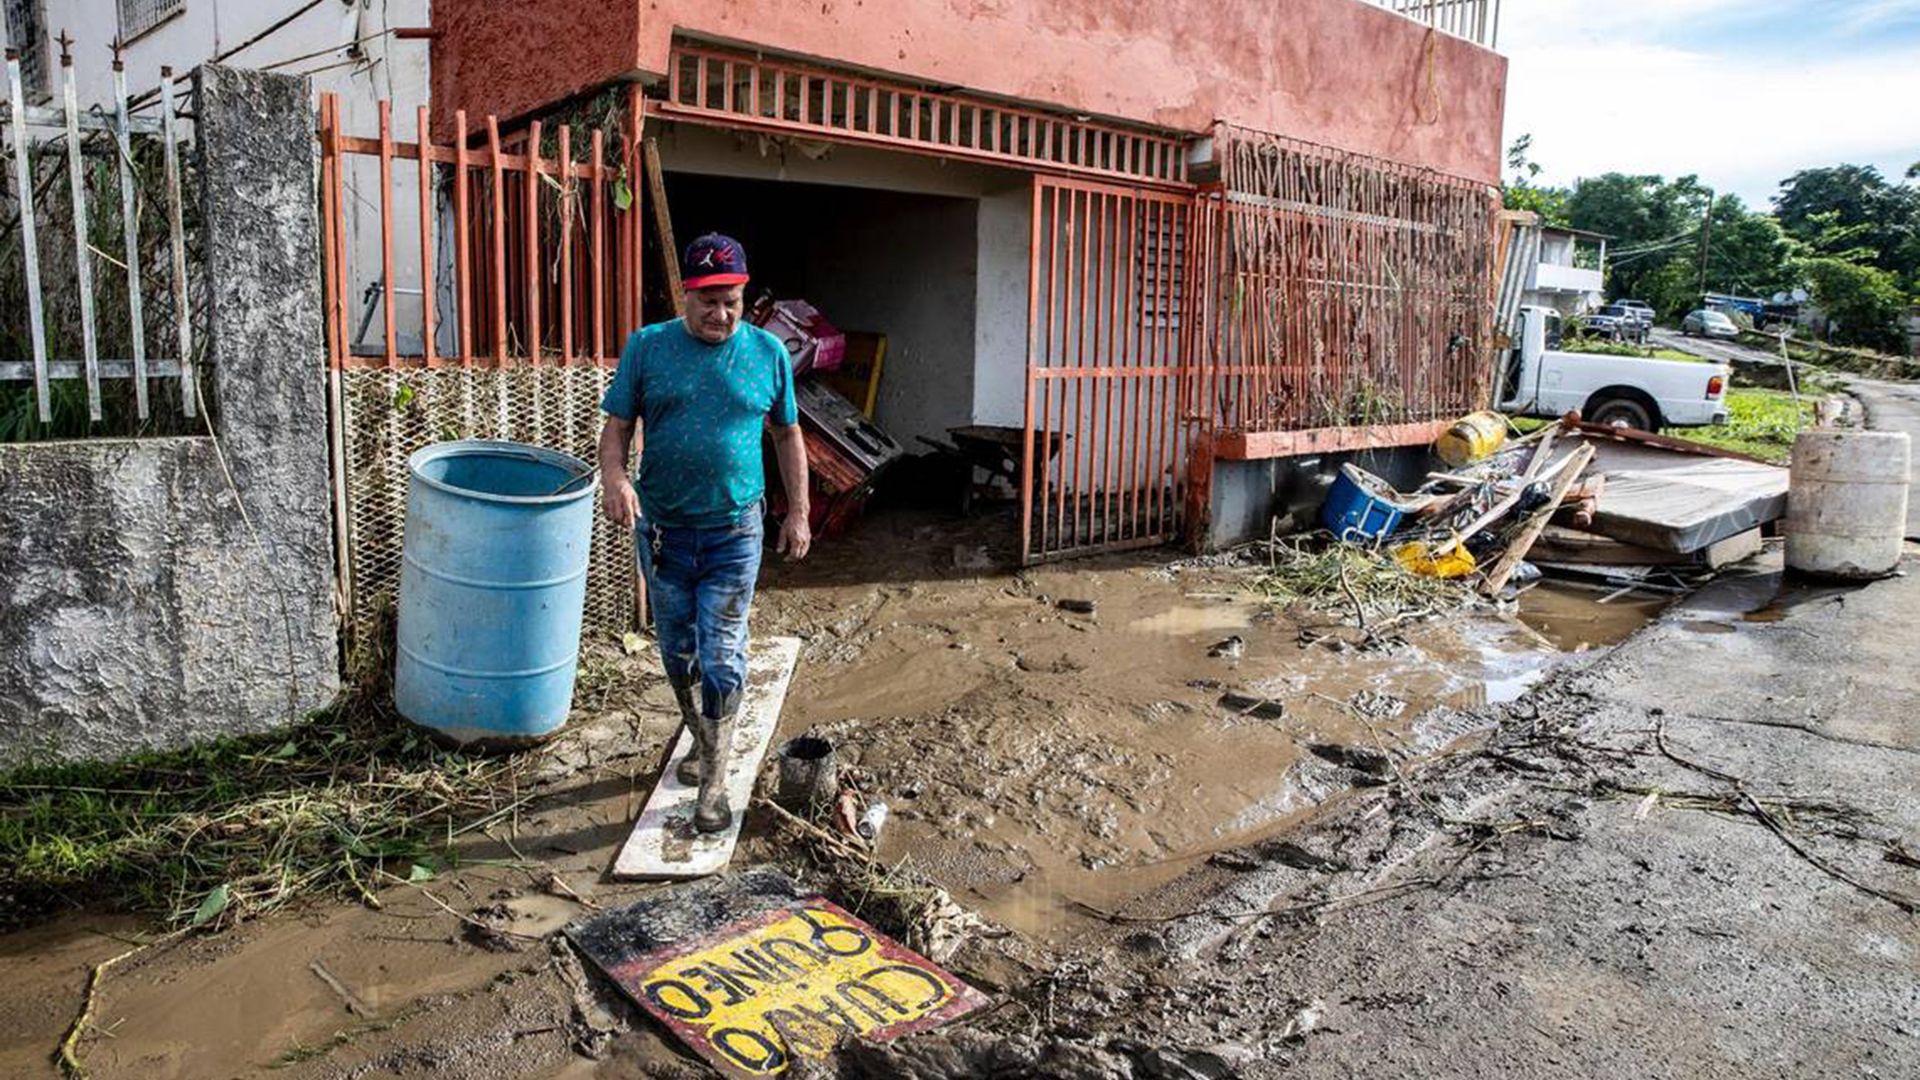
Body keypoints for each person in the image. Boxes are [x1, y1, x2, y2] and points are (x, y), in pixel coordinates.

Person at [597, 233, 811, 833]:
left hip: (734, 530)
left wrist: (799, 512)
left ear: (746, 298)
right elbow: (617, 428)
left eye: (732, 302)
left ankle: (713, 783)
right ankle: (704, 738)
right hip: (663, 532)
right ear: (685, 296)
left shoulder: (768, 353)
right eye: (708, 301)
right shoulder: (648, 347)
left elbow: (787, 435)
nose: (721, 314)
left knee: (721, 656)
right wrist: (615, 479)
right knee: (678, 654)